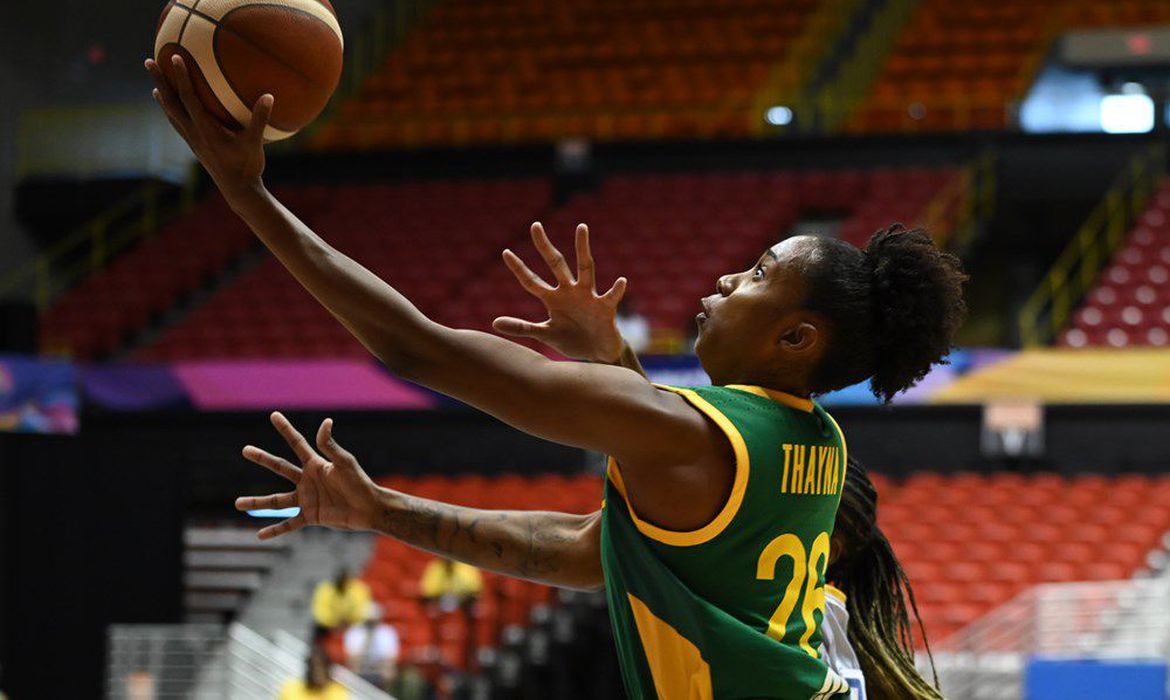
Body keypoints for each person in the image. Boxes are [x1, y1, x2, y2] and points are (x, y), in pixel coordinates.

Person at [148, 57, 965, 699]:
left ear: (795, 337)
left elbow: (419, 349)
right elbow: (592, 547)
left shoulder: (692, 434)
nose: (722, 283)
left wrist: (246, 192)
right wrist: (378, 508)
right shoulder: (813, 437)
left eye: (755, 274)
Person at [343, 604, 400, 691]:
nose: (371, 624)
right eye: (369, 621)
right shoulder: (354, 631)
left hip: (380, 668)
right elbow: (353, 659)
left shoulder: (388, 632)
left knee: (389, 672)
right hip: (360, 667)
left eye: (373, 621)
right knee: (352, 670)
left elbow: (390, 659)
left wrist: (377, 667)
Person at [311, 568, 371, 638]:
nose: (342, 583)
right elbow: (320, 612)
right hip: (329, 625)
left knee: (364, 628)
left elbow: (362, 610)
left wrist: (350, 619)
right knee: (317, 629)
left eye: (344, 580)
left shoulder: (358, 590)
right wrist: (334, 622)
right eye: (339, 580)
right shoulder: (325, 590)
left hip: (351, 624)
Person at [279, 645, 349, 700]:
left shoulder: (337, 691)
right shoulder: (291, 688)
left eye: (323, 668)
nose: (318, 673)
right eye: (314, 668)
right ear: (308, 669)